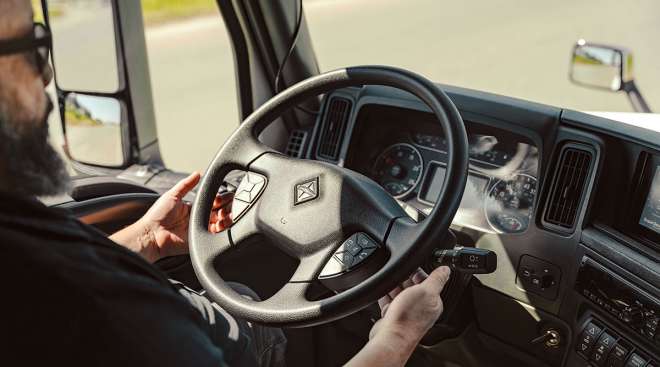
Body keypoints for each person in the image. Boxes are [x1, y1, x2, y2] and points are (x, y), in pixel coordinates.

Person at [0, 0, 452, 366]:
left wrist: (145, 241)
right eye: (34, 47)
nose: (47, 74)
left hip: (210, 320)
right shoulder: (119, 325)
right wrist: (396, 337)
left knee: (243, 297)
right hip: (232, 344)